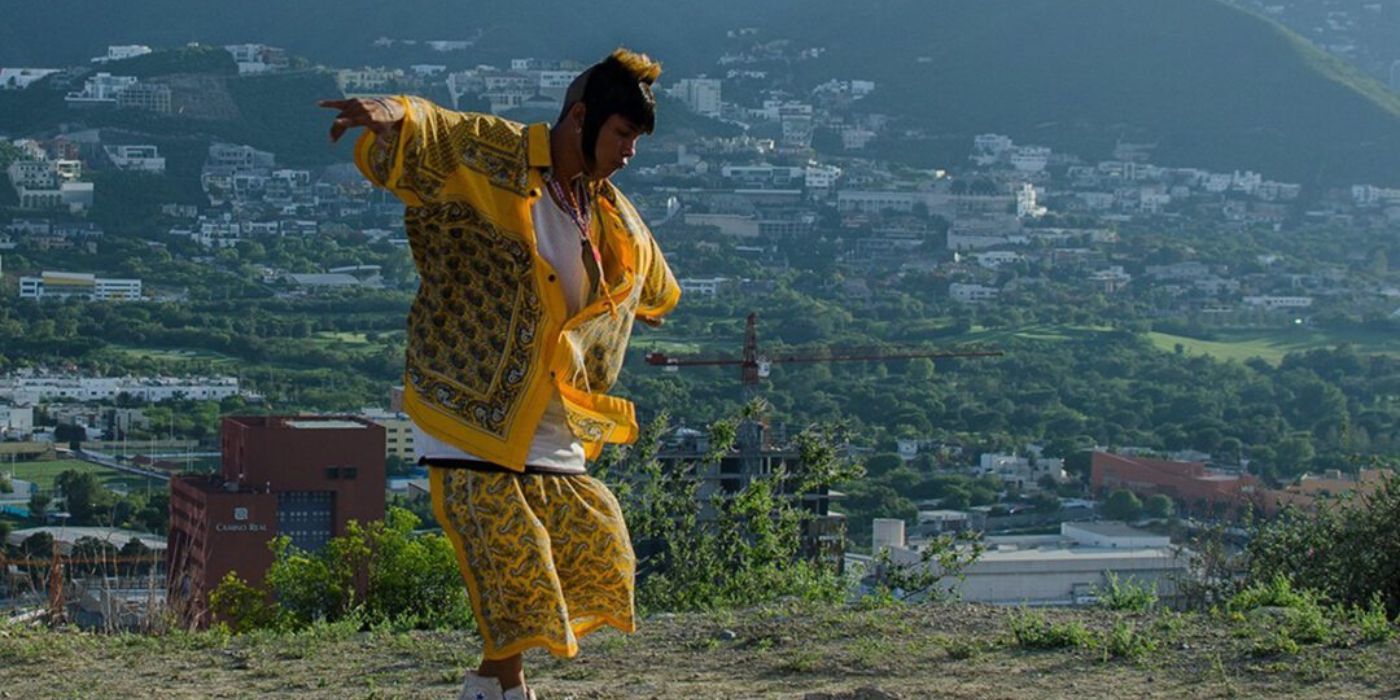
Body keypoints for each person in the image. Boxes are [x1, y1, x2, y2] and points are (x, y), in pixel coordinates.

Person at [321, 48, 680, 700]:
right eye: (623, 133)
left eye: (636, 139)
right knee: (510, 556)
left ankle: (489, 686)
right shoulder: (498, 154)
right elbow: (436, 128)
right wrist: (390, 114)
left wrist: (636, 304)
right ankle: (507, 690)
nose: (631, 151)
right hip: (468, 400)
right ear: (581, 117)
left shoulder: (610, 213)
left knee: (600, 548)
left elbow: (652, 277)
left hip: (549, 418)